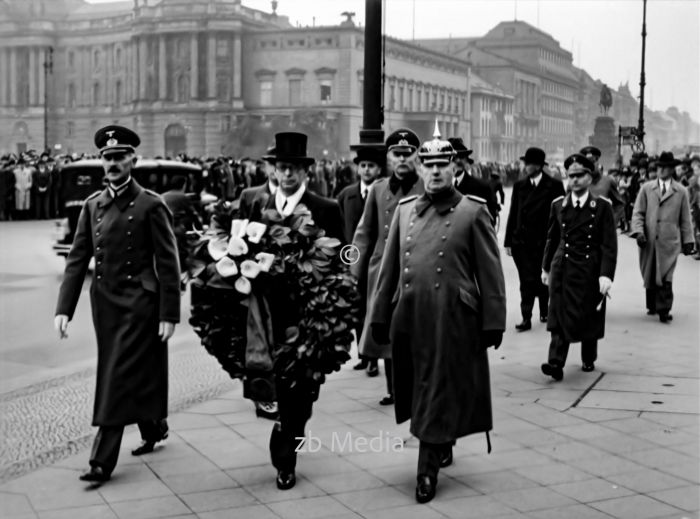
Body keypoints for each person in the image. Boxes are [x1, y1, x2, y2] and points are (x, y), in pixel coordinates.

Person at [369, 131, 506, 504]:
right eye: (427, 165)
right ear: (418, 167)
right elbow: (390, 270)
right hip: (412, 316)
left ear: (455, 166)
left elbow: (490, 272)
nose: (434, 172)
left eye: (442, 165)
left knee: (437, 388)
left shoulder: (472, 211)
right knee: (420, 387)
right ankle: (442, 438)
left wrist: (493, 319)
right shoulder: (404, 210)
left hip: (453, 318)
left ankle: (426, 471)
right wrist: (380, 314)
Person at [54, 125, 181, 483]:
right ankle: (154, 427)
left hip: (140, 303)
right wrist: (64, 308)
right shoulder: (92, 206)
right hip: (105, 305)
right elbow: (77, 259)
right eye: (107, 158)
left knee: (115, 374)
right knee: (125, 369)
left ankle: (101, 460)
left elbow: (168, 262)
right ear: (101, 161)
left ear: (132, 161)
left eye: (119, 157)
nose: (112, 163)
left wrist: (168, 313)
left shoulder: (151, 204)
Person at [246, 132, 344, 491]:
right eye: (281, 168)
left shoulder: (326, 208)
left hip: (310, 315)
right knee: (282, 385)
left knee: (304, 392)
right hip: (269, 313)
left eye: (294, 169)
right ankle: (286, 458)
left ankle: (289, 429)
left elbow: (345, 255)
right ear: (273, 170)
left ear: (306, 171)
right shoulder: (258, 205)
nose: (287, 176)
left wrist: (340, 280)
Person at [351, 128, 424, 406]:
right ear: (389, 158)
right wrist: (352, 270)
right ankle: (394, 388)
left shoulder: (426, 187)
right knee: (387, 330)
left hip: (417, 269)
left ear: (417, 156)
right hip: (382, 272)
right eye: (397, 154)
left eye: (408, 153)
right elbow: (362, 235)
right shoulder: (378, 190)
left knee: (416, 329)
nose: (403, 159)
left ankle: (417, 384)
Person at [540, 154, 617, 381]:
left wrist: (606, 274)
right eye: (570, 176)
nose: (573, 180)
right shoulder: (558, 205)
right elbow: (551, 239)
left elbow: (609, 245)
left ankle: (588, 357)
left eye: (579, 175)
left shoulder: (602, 207)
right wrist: (545, 269)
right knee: (558, 314)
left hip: (589, 268)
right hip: (562, 267)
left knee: (587, 313)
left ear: (590, 177)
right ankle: (555, 362)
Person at [505, 147, 565, 331]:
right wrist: (508, 241)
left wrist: (560, 239)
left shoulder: (554, 185)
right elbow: (513, 213)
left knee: (543, 277)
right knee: (526, 280)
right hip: (522, 243)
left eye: (529, 164)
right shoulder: (519, 185)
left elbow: (560, 215)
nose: (526, 167)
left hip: (544, 242)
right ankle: (526, 317)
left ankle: (544, 310)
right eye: (525, 163)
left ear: (539, 166)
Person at [337, 145, 385, 377]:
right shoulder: (347, 195)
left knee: (372, 309)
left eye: (371, 166)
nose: (366, 170)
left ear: (379, 170)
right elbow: (340, 229)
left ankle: (374, 357)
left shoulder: (383, 192)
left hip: (376, 260)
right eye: (363, 166)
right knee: (356, 310)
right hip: (352, 260)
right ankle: (363, 355)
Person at [630, 151, 695, 322]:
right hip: (648, 239)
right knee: (650, 273)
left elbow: (686, 218)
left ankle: (664, 309)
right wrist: (638, 232)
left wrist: (688, 241)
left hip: (669, 241)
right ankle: (652, 305)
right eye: (659, 167)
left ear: (672, 169)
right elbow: (638, 213)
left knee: (666, 275)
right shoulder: (646, 188)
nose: (660, 170)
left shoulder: (681, 191)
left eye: (664, 167)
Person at [161, 175, 203, 283]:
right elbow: (193, 214)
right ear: (183, 185)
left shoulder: (163, 196)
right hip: (175, 228)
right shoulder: (182, 197)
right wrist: (200, 227)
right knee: (182, 253)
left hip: (161, 227)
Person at [448, 137, 499, 222]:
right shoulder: (438, 188)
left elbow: (489, 221)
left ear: (466, 160)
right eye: (453, 157)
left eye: (461, 157)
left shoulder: (482, 188)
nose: (458, 160)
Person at [580, 146, 625, 225]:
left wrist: (611, 224)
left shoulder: (608, 181)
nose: (590, 165)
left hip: (601, 229)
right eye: (587, 163)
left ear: (598, 162)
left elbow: (619, 205)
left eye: (593, 161)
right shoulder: (577, 182)